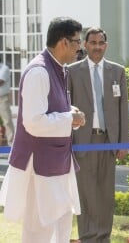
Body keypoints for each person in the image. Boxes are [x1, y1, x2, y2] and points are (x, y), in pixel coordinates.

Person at [0, 17, 86, 243]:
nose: (80, 47)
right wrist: (69, 117)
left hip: (55, 162)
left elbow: (49, 108)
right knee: (40, 230)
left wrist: (69, 111)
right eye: (77, 42)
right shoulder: (39, 71)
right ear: (63, 42)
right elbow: (34, 122)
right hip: (39, 166)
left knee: (60, 223)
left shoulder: (57, 68)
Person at [68, 27, 129, 243]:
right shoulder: (72, 71)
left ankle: (104, 236)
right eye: (92, 42)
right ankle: (87, 236)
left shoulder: (117, 71)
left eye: (100, 43)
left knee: (105, 192)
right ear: (85, 44)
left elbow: (123, 109)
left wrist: (123, 142)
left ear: (106, 45)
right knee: (86, 191)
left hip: (108, 141)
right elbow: (67, 108)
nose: (96, 47)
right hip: (83, 141)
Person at [0, 58, 15, 145]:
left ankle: (11, 144)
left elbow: (0, 81)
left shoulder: (4, 68)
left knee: (7, 121)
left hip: (2, 98)